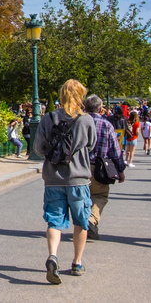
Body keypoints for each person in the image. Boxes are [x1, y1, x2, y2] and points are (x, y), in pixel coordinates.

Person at [33, 79, 96, 284]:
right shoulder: (85, 120)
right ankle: (77, 263)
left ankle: (53, 256)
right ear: (81, 96)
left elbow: (38, 148)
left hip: (53, 178)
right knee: (81, 221)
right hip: (78, 179)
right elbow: (91, 145)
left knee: (54, 221)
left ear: (61, 95)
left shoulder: (48, 118)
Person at [84, 94, 125, 241]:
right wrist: (120, 170)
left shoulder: (78, 123)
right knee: (100, 195)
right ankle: (91, 219)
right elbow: (115, 150)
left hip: (79, 166)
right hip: (99, 167)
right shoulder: (106, 124)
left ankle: (82, 222)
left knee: (82, 196)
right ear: (101, 109)